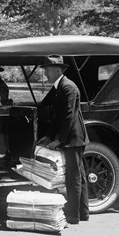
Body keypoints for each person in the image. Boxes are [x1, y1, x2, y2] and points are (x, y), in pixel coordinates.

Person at [37, 55, 89, 224]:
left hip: (73, 139)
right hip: (72, 138)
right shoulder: (61, 87)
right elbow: (58, 118)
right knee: (79, 175)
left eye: (47, 69)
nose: (45, 73)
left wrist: (59, 139)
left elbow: (68, 117)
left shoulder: (68, 88)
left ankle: (73, 215)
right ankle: (83, 212)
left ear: (57, 70)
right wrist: (48, 136)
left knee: (73, 178)